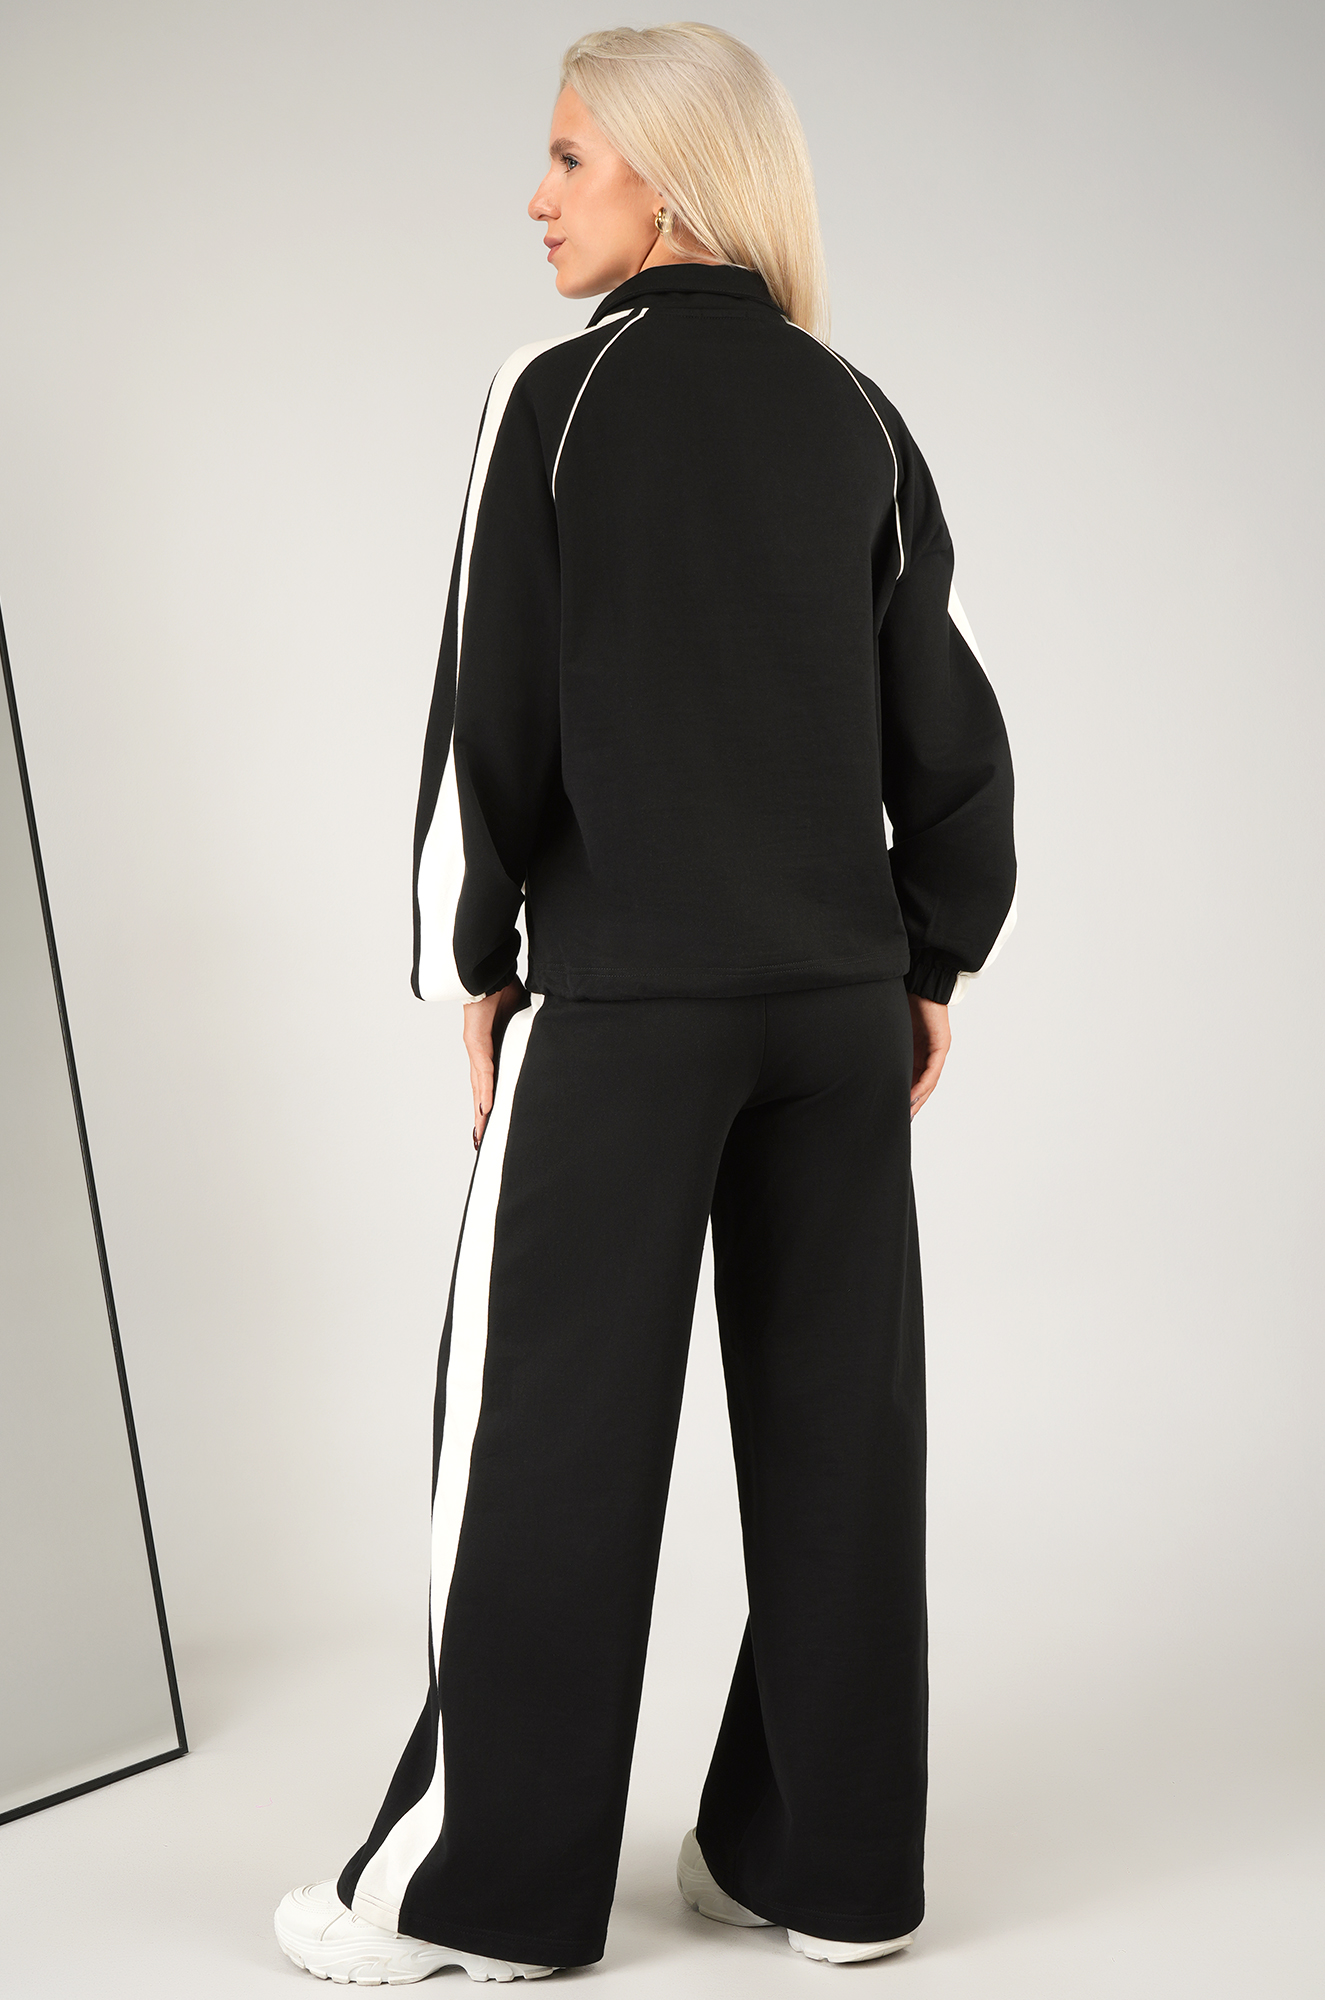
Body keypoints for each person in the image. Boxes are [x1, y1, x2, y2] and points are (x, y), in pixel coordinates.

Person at [275, 20, 1016, 1986]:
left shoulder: (556, 399)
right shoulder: (857, 413)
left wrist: (474, 958)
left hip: (628, 1004)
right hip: (835, 1011)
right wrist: (928, 955)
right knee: (841, 1436)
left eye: (568, 158)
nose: (534, 198)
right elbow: (947, 723)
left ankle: (482, 1898)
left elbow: (487, 707)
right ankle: (828, 1873)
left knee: (545, 1438)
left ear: (671, 182)